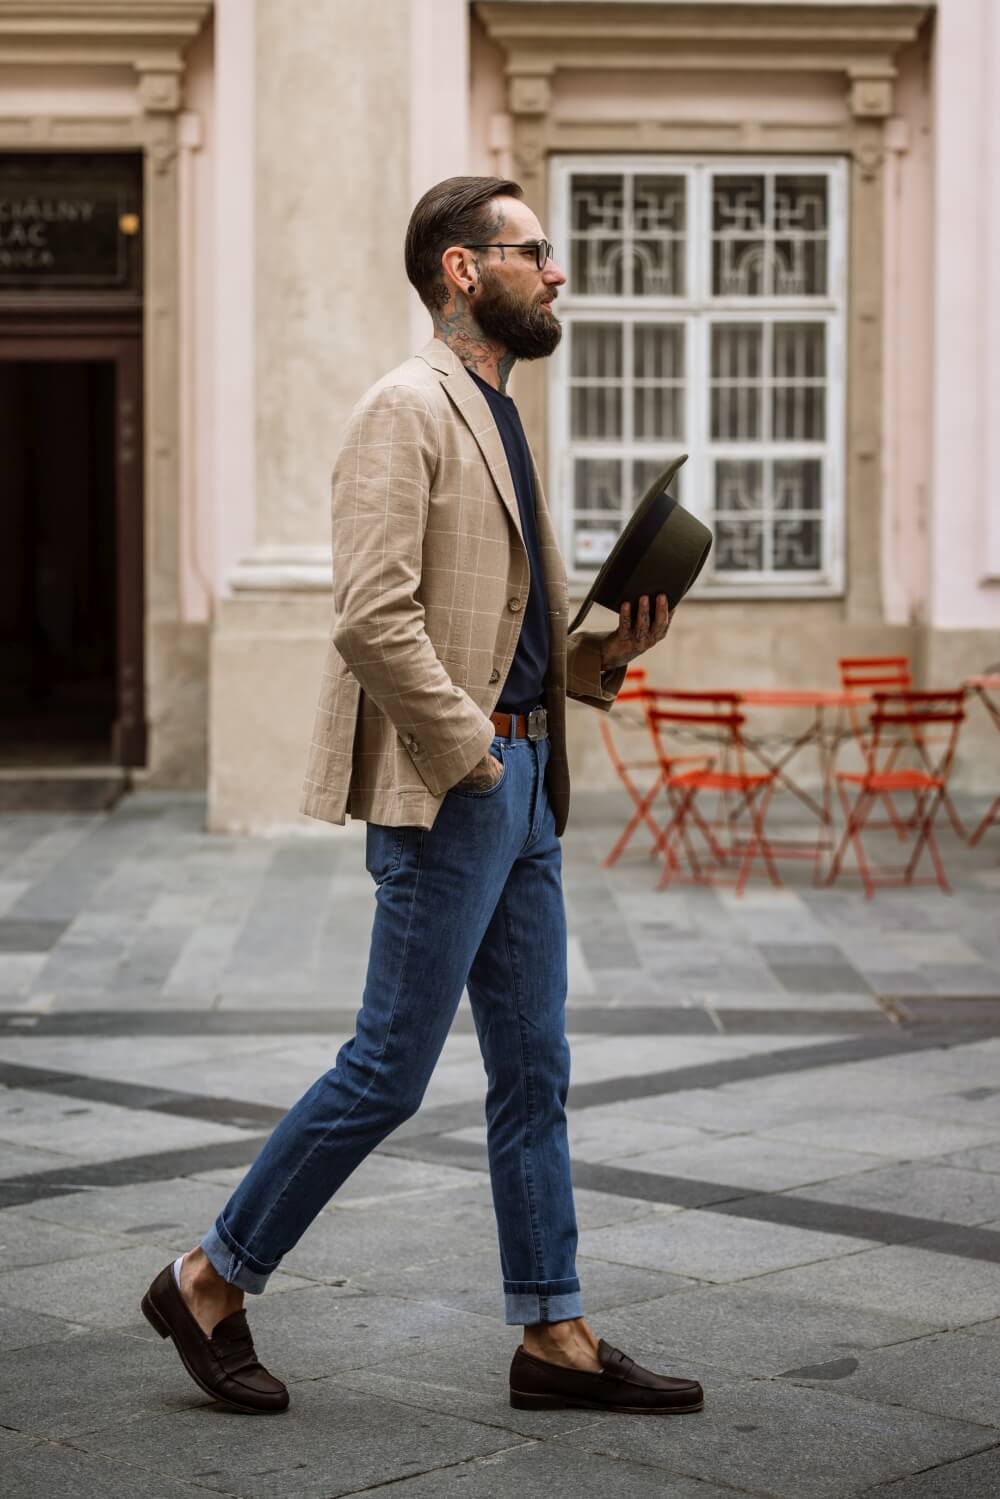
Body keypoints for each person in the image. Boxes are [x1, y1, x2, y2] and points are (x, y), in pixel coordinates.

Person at [142, 175, 703, 1418]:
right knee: (388, 1067)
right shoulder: (406, 408)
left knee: (534, 1068)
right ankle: (207, 1276)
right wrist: (477, 758)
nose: (556, 272)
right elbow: (371, 617)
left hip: (524, 782)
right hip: (457, 786)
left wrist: (607, 652)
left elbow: (504, 634)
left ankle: (552, 1330)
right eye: (534, 250)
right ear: (463, 268)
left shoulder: (501, 418)